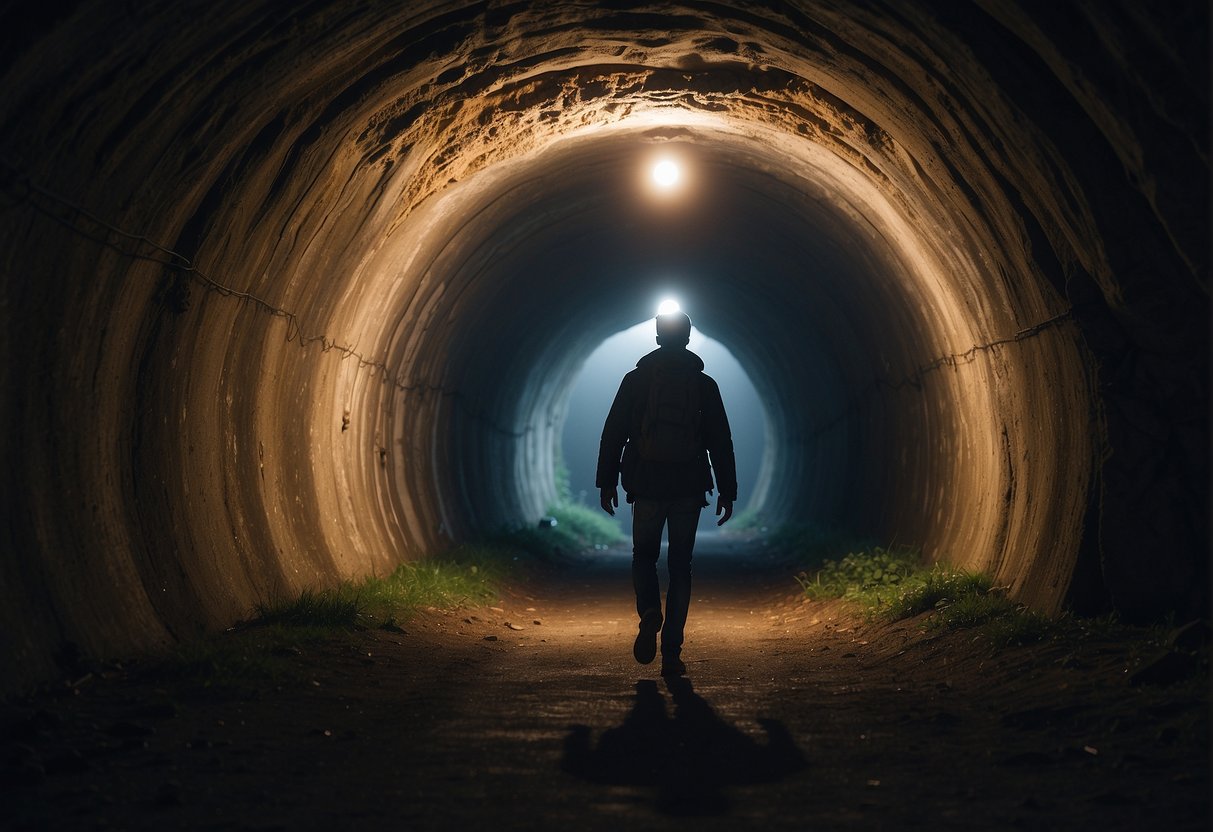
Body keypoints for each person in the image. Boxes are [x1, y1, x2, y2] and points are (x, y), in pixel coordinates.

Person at [596, 309, 737, 677]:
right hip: (688, 486)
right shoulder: (705, 385)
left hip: (646, 485)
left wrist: (607, 480)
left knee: (643, 558)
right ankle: (672, 649)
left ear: (657, 337)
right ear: (688, 338)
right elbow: (720, 441)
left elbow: (613, 432)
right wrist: (727, 489)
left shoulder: (635, 381)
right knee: (680, 567)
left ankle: (649, 614)